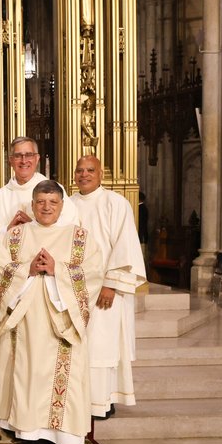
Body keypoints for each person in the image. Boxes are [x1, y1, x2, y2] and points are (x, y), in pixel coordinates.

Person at [0, 180, 103, 444]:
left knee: (66, 384)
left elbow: (93, 275)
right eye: (40, 202)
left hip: (63, 324)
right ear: (32, 204)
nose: (46, 207)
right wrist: (26, 270)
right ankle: (31, 441)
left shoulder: (79, 237)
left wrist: (58, 270)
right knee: (28, 378)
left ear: (62, 206)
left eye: (53, 202)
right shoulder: (15, 236)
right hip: (26, 323)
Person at [72, 155, 146, 419]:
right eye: (80, 170)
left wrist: (111, 284)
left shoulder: (115, 203)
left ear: (101, 173)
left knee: (102, 345)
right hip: (74, 288)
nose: (84, 174)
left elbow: (124, 246)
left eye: (90, 170)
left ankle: (102, 401)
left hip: (104, 289)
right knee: (80, 347)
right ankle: (79, 400)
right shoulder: (67, 205)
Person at [0, 136, 79, 235]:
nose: (24, 161)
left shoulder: (55, 189)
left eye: (29, 155)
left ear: (37, 158)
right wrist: (8, 229)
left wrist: (34, 227)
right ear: (11, 160)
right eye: (18, 156)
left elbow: (71, 226)